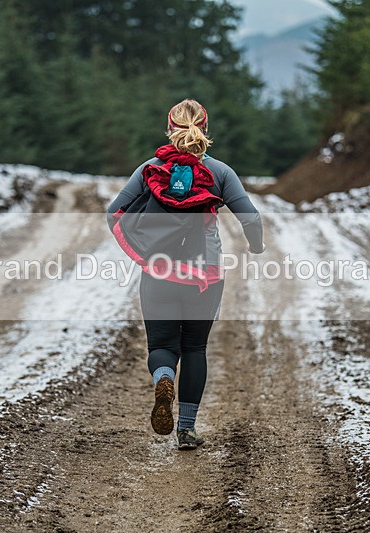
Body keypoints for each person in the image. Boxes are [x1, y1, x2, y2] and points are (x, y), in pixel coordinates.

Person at [107, 99, 265, 450]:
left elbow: (113, 212)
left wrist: (140, 252)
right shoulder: (220, 173)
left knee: (162, 345)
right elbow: (251, 218)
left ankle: (163, 377)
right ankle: (187, 430)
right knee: (194, 347)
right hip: (204, 275)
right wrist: (256, 245)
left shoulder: (150, 169)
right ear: (205, 131)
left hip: (159, 271)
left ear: (169, 128)